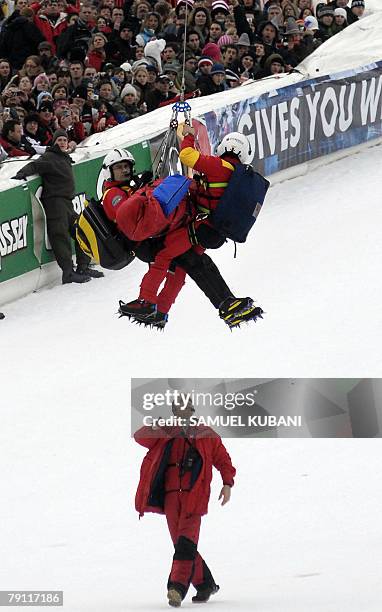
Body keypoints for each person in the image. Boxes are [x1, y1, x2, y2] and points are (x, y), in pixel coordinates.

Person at [134, 395, 236, 607]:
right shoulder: (167, 431)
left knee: (185, 545)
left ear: (192, 409)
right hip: (171, 497)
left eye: (186, 407)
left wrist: (227, 483)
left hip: (195, 497)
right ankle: (206, 584)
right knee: (181, 544)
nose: (182, 411)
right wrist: (160, 425)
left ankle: (176, 589)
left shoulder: (205, 433)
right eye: (177, 408)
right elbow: (140, 436)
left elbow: (223, 460)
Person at [12, 129, 104, 284]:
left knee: (82, 230)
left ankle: (83, 266)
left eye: (64, 140)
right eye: (59, 140)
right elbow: (35, 165)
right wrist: (21, 173)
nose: (62, 143)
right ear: (54, 142)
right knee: (60, 236)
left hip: (67, 203)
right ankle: (68, 272)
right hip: (55, 203)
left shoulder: (64, 157)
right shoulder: (49, 157)